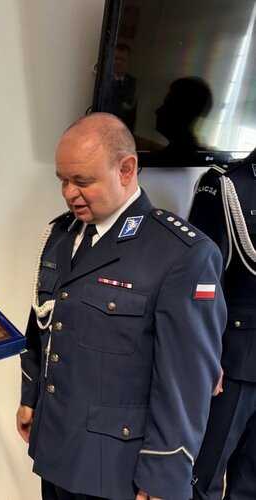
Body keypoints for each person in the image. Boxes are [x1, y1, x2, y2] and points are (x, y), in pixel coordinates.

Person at [16, 112, 226, 499]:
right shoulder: (60, 235)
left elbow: (186, 381)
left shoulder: (181, 253)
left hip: (118, 468)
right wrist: (30, 397)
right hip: (56, 447)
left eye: (83, 181)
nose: (69, 193)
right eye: (63, 180)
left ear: (126, 169)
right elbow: (42, 323)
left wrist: (164, 476)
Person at [189, 148, 256, 499]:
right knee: (204, 479)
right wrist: (206, 356)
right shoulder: (225, 185)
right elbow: (201, 282)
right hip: (233, 362)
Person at [102, 43, 138, 132]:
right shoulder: (103, 79)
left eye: (123, 59)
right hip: (103, 126)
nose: (119, 62)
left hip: (123, 128)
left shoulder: (132, 82)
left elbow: (132, 111)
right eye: (116, 58)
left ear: (128, 62)